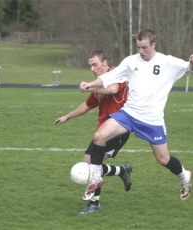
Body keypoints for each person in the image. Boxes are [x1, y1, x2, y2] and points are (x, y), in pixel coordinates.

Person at [79, 29, 193, 209]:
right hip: (129, 114)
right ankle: (96, 180)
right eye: (138, 47)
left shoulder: (167, 61)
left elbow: (191, 69)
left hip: (152, 120)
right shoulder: (130, 61)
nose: (141, 51)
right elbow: (109, 77)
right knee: (99, 136)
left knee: (163, 159)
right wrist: (90, 84)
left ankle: (185, 177)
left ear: (154, 45)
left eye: (144, 47)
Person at [54, 49, 132, 214]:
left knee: (92, 168)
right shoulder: (97, 84)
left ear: (105, 62)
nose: (92, 69)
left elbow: (112, 89)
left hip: (118, 129)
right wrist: (67, 116)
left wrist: (89, 87)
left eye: (95, 64)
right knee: (87, 165)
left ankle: (94, 204)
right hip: (102, 132)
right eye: (90, 66)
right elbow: (87, 105)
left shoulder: (116, 72)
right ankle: (122, 171)